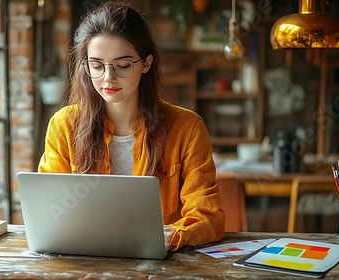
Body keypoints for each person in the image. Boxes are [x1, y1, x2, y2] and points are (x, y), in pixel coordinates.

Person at [38, 1, 225, 251]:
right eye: (96, 65)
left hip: (163, 263)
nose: (108, 78)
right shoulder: (63, 126)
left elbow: (208, 216)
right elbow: (47, 211)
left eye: (123, 65)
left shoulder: (187, 128)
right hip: (83, 260)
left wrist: (176, 234)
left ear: (146, 63)